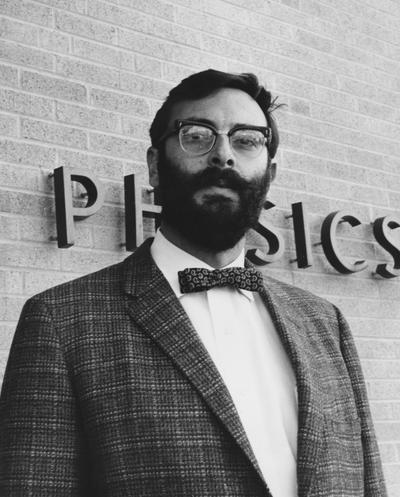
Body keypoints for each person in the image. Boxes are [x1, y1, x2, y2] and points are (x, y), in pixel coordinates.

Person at [0, 69, 387, 497]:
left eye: (246, 139)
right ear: (155, 165)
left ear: (270, 173)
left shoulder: (324, 321)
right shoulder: (60, 321)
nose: (223, 155)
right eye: (197, 135)